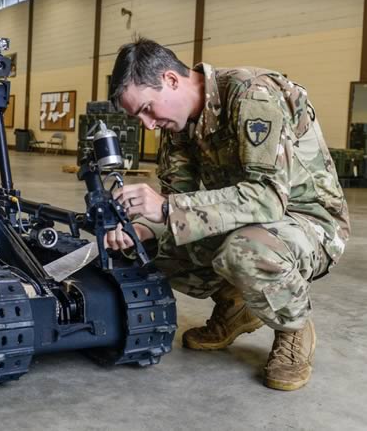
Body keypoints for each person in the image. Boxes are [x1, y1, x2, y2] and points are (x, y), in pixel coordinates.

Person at [105, 38, 350, 391]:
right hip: (249, 220)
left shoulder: (253, 96)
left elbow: (267, 199)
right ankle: (236, 305)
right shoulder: (177, 126)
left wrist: (165, 209)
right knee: (143, 249)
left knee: (244, 251)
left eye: (146, 109)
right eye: (138, 116)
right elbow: (180, 203)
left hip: (310, 221)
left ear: (171, 80)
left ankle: (293, 327)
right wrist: (142, 230)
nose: (147, 125)